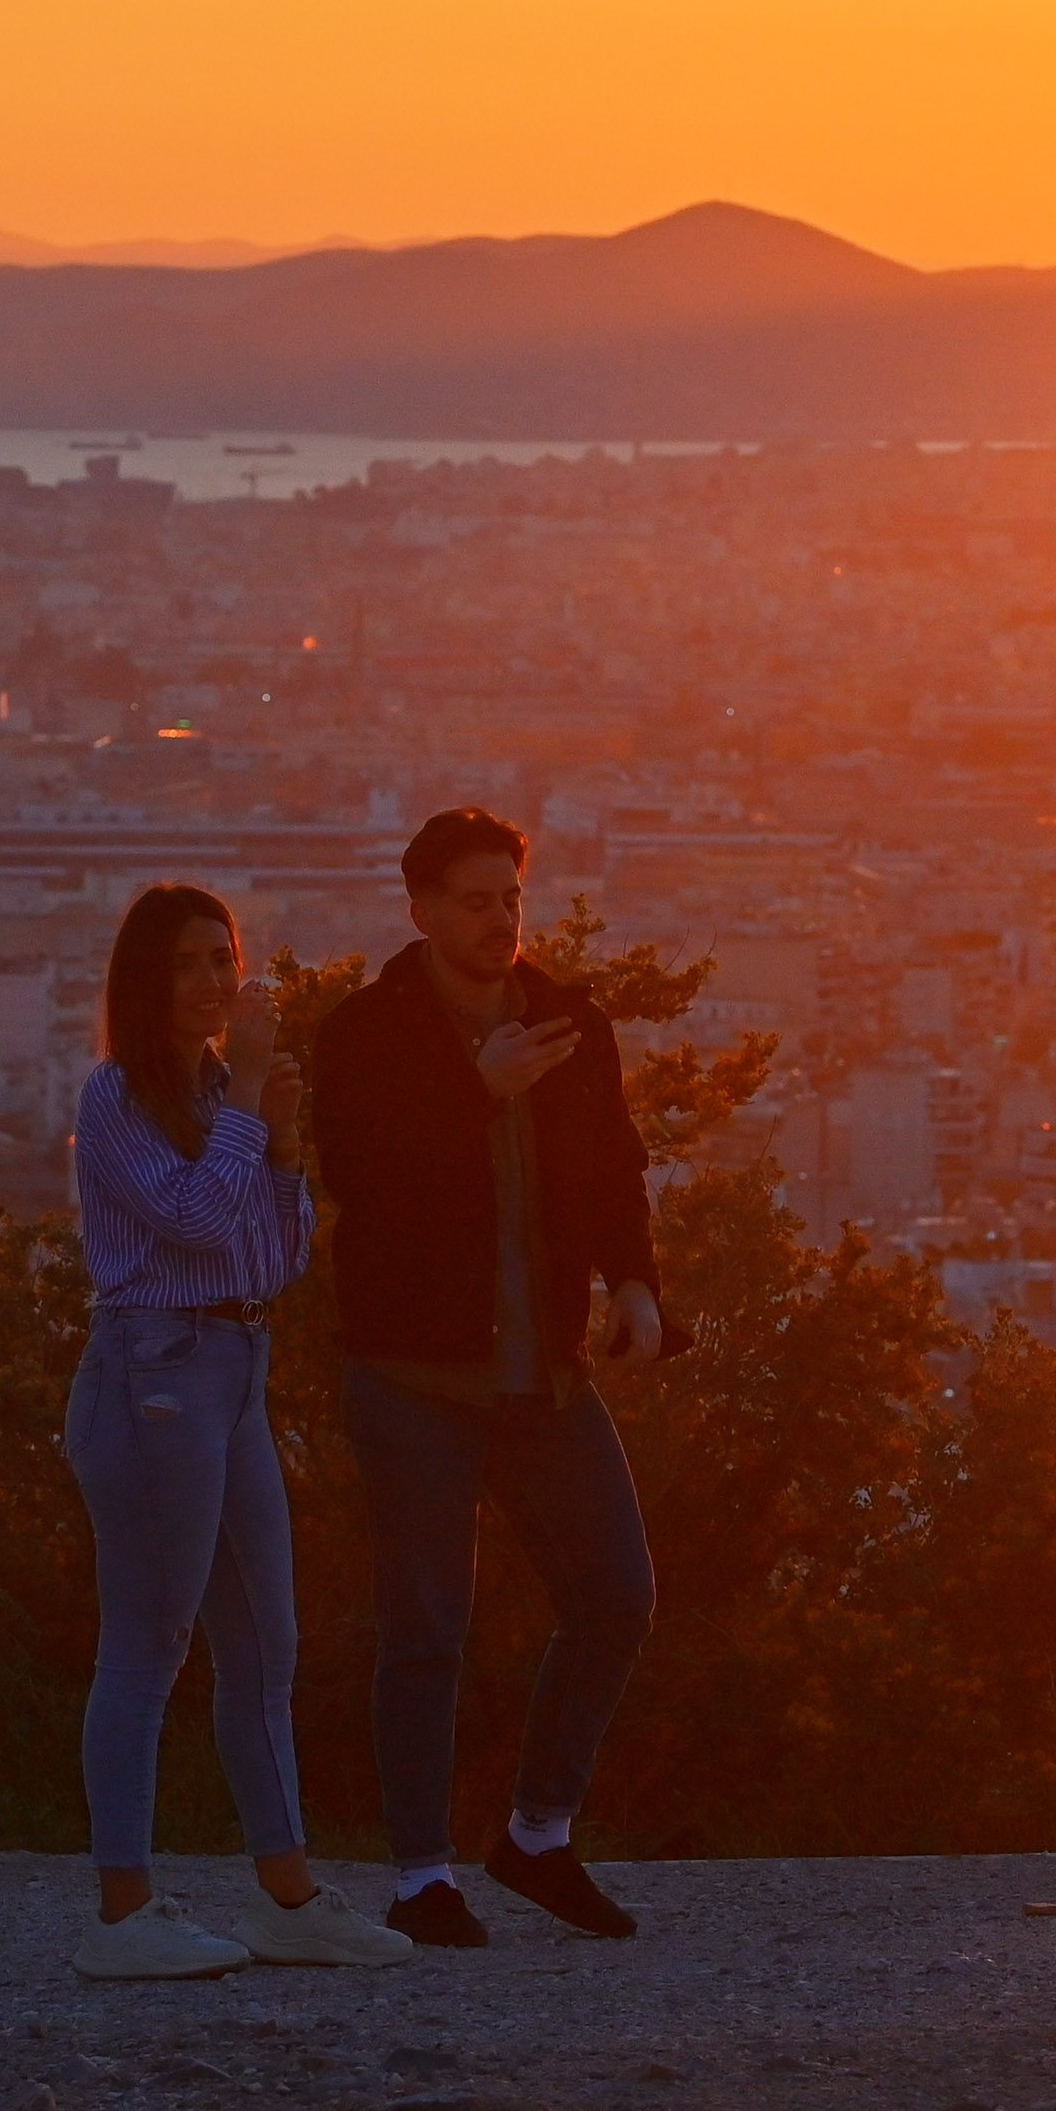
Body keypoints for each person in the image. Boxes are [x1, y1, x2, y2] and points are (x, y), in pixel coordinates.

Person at [299, 807, 669, 1952]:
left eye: (510, 895)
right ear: (419, 908)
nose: (499, 917)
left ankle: (538, 1832)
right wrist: (476, 1091)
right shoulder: (365, 1033)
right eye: (474, 898)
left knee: (617, 1593)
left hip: (540, 1370)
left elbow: (613, 1163)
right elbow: (359, 1172)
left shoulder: (569, 1021)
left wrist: (637, 1282)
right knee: (427, 1625)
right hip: (413, 1373)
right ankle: (421, 1872)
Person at [59, 883, 410, 1978]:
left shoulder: (224, 1091)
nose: (216, 982)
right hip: (154, 1373)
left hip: (233, 1370)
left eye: (225, 957)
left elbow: (273, 1254)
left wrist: (285, 1145)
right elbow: (203, 1221)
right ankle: (124, 1909)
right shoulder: (116, 1097)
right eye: (189, 963)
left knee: (265, 1644)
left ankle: (287, 1892)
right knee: (147, 1644)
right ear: (144, 981)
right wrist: (257, 1097)